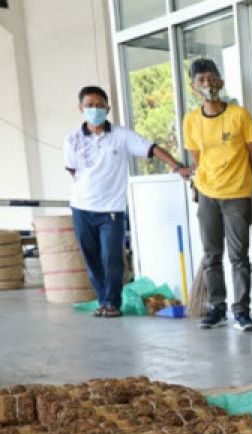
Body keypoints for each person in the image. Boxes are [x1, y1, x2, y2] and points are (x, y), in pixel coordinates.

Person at [65, 85, 190, 318]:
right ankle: (103, 301)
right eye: (90, 105)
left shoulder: (121, 136)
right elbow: (73, 171)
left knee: (111, 258)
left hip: (111, 209)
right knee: (91, 260)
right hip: (82, 208)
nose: (95, 109)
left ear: (108, 108)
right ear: (81, 108)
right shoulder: (72, 139)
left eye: (100, 105)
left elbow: (151, 149)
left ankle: (112, 303)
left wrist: (178, 166)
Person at [183, 58, 252, 332]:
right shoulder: (191, 120)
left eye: (211, 78)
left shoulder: (239, 115)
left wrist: (240, 177)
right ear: (193, 87)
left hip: (237, 192)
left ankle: (242, 310)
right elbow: (198, 158)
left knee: (238, 255)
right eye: (200, 80)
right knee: (211, 254)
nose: (207, 84)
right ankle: (217, 307)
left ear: (221, 82)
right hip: (207, 193)